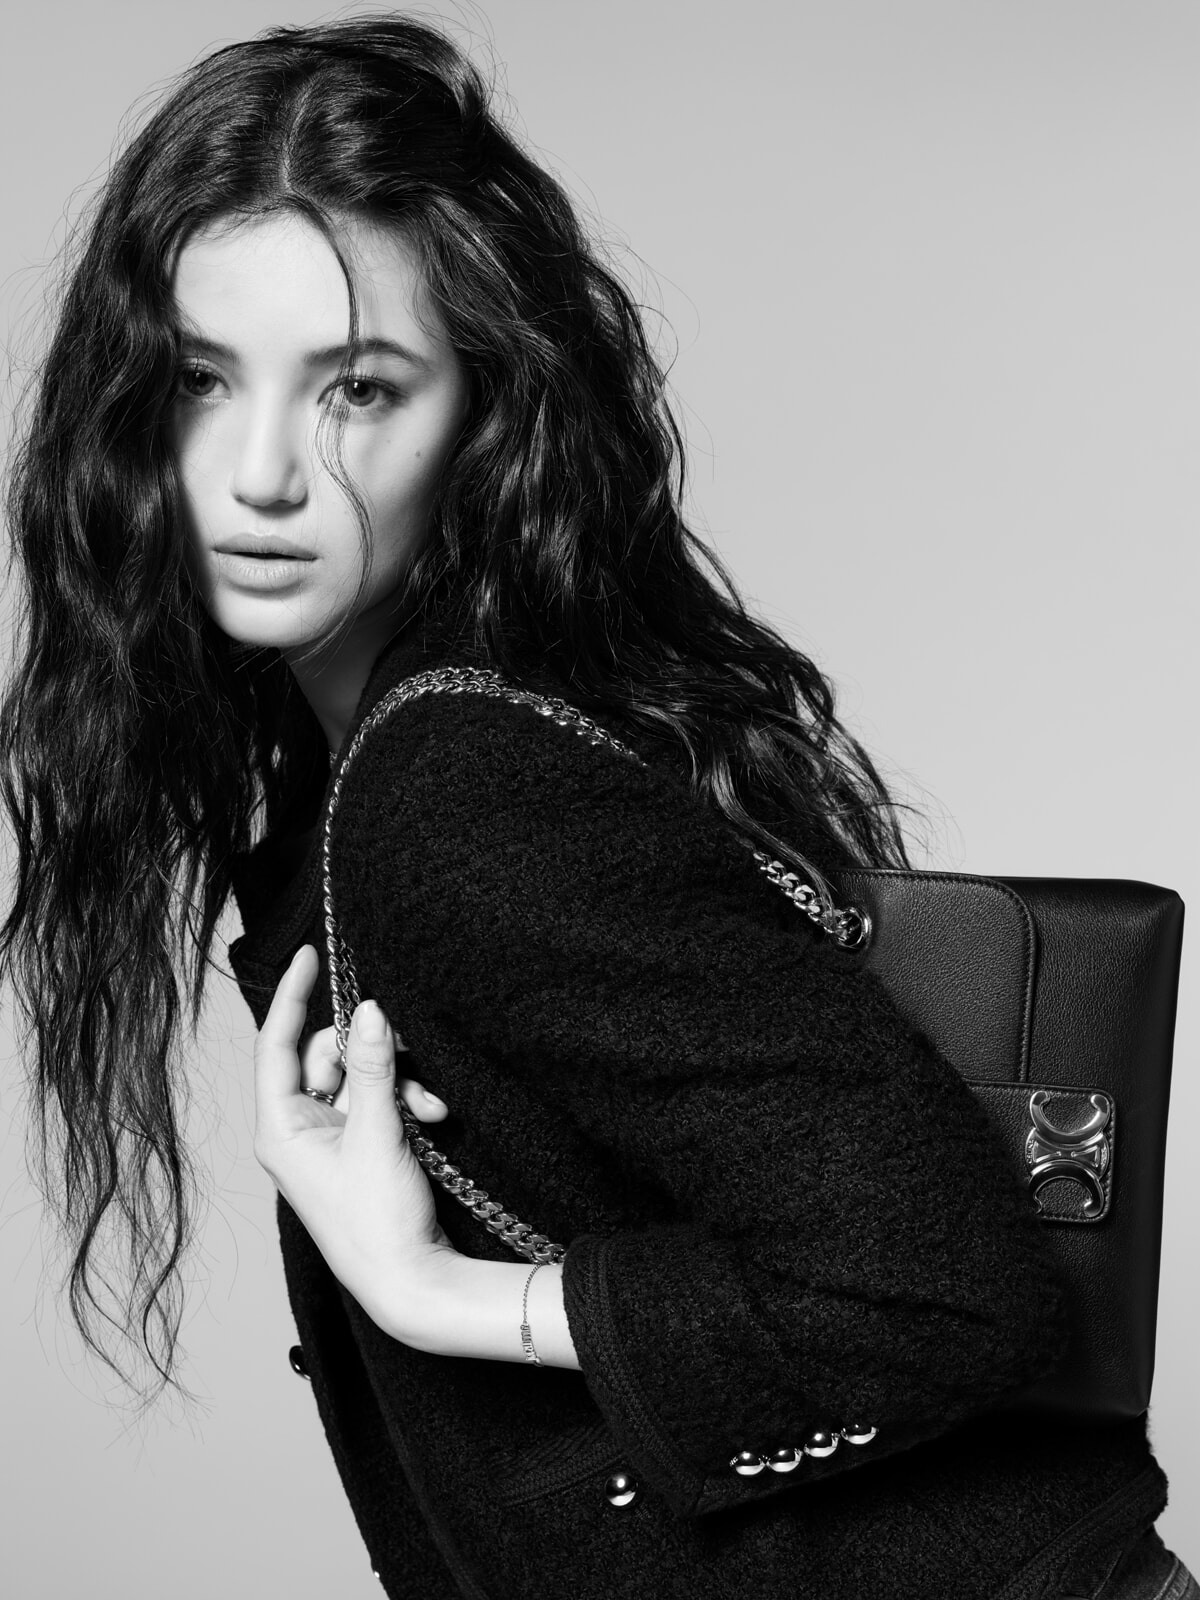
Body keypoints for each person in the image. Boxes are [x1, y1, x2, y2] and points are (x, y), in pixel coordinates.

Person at [0, 13, 1192, 1600]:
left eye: (359, 390)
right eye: (202, 378)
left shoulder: (460, 790)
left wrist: (435, 1294)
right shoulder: (377, 769)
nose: (261, 471)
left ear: (482, 420)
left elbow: (946, 1289)